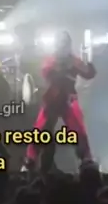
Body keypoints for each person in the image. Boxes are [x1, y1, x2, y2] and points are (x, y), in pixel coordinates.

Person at [24, 31, 95, 171]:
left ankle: (86, 158)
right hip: (52, 99)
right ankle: (31, 158)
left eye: (64, 43)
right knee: (40, 128)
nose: (62, 46)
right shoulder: (51, 60)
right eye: (60, 43)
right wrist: (62, 69)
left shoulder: (73, 61)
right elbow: (45, 72)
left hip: (68, 99)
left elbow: (89, 73)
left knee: (78, 129)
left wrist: (88, 64)